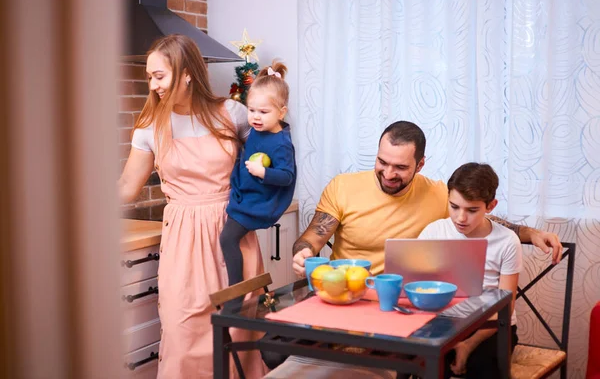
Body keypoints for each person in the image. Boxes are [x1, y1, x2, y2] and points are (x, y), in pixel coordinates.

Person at [118, 34, 266, 379]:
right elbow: (127, 186)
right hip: (183, 238)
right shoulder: (150, 126)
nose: (153, 85)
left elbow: (268, 158)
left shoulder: (233, 113)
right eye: (149, 77)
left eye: (159, 76)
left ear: (186, 73)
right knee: (183, 331)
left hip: (233, 233)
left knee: (237, 332)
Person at [292, 121, 562, 277]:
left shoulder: (435, 192)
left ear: (420, 165)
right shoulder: (343, 186)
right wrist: (303, 253)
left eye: (400, 167)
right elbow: (311, 238)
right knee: (275, 351)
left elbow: (477, 215)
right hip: (347, 293)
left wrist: (529, 232)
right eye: (382, 162)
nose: (388, 174)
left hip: (401, 302)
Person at [418, 162, 521, 379]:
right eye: (454, 207)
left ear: (490, 206)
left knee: (482, 368)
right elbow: (418, 287)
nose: (461, 218)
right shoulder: (434, 232)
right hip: (444, 325)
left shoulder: (507, 241)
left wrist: (468, 344)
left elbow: (506, 307)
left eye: (472, 210)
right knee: (426, 365)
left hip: (492, 326)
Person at [220, 61, 296, 295]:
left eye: (264, 112)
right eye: (251, 110)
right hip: (245, 195)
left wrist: (263, 172)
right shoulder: (256, 131)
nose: (256, 117)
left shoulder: (281, 143)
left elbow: (286, 176)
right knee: (230, 239)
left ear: (281, 112)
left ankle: (236, 293)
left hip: (259, 204)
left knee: (227, 239)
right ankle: (259, 293)